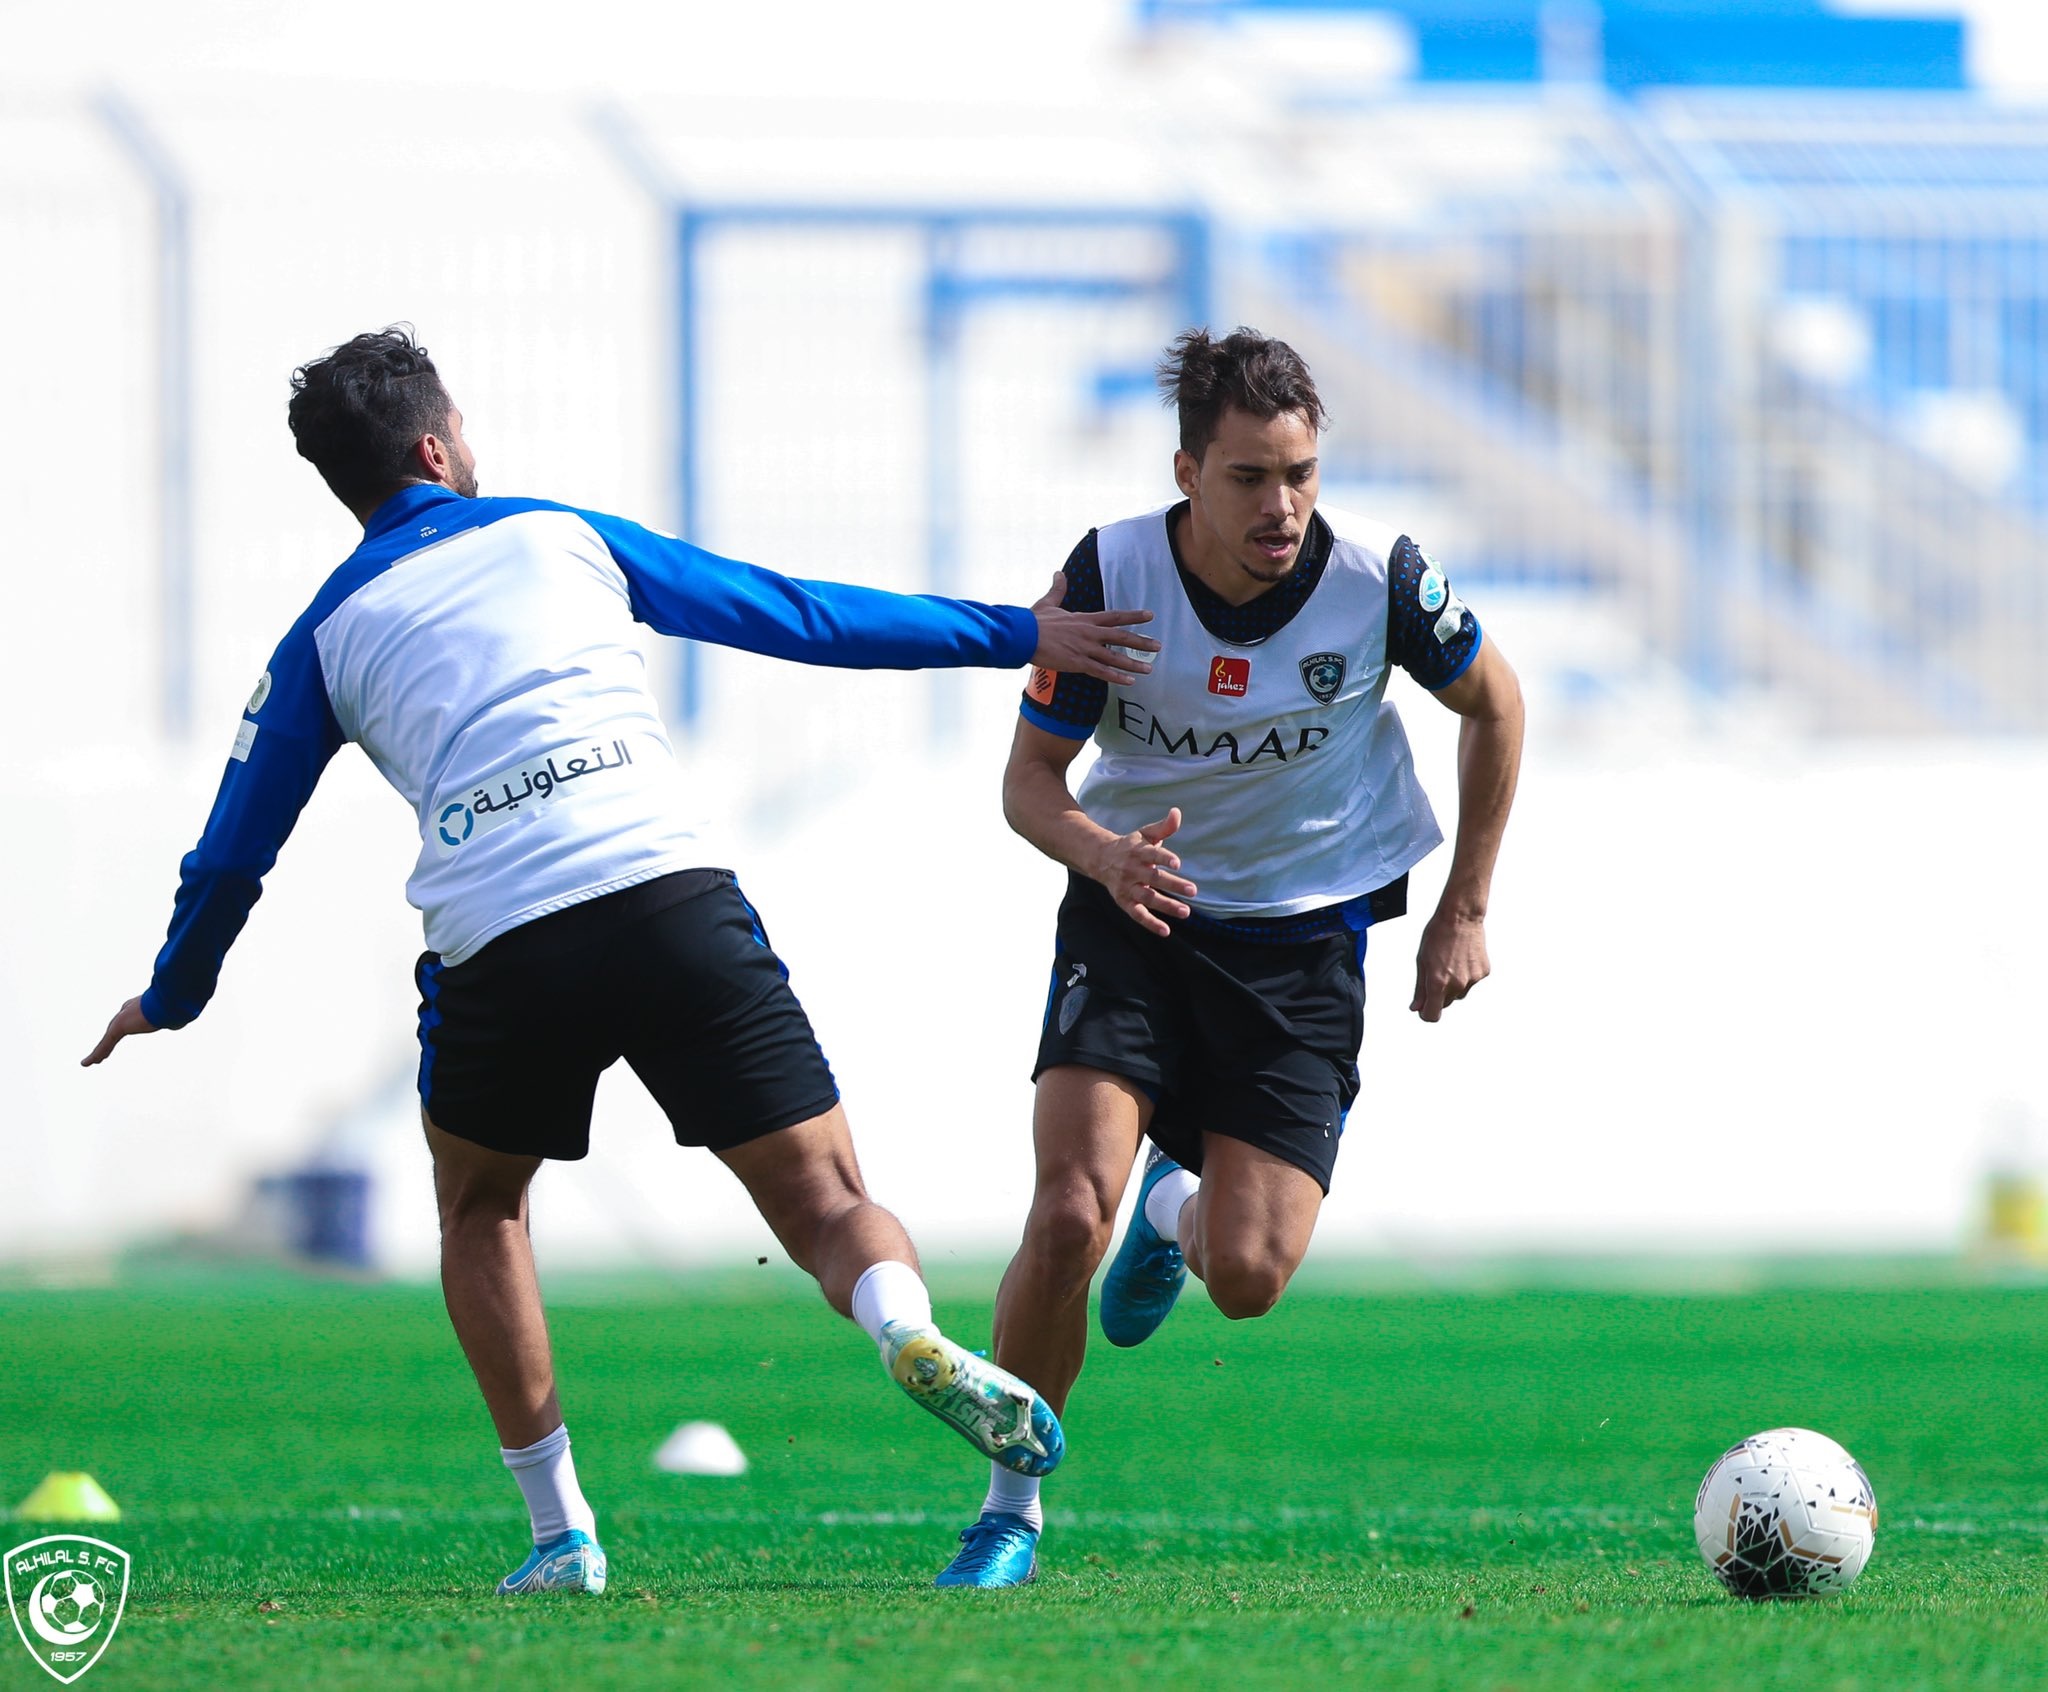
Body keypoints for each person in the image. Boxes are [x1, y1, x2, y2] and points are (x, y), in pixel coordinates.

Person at [81, 326, 1162, 1596]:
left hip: (499, 937)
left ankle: (561, 1536)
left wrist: (176, 989)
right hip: (665, 893)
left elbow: (231, 853)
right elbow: (790, 614)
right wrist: (1011, 632)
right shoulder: (558, 535)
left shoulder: (319, 637)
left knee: (482, 1210)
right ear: (437, 445)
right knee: (821, 1196)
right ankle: (906, 1332)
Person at [932, 327, 1525, 1588]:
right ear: (1188, 470)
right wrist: (1102, 857)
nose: (1282, 506)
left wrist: (1462, 907)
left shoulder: (1379, 580)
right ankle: (1006, 1512)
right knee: (1062, 1210)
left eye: (1300, 472)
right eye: (1251, 477)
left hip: (1303, 939)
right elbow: (1029, 784)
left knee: (1249, 1277)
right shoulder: (1108, 574)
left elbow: (1497, 705)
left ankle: (1176, 1206)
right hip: (1136, 909)